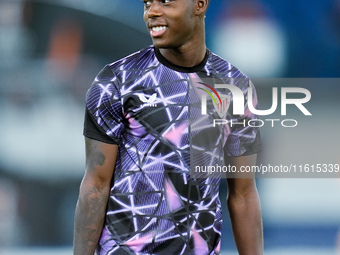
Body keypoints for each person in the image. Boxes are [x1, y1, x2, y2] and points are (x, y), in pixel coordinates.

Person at [73, 0, 263, 254]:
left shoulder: (235, 87)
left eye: (165, 2)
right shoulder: (116, 82)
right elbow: (96, 185)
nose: (151, 12)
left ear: (200, 5)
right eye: (147, 3)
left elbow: (243, 195)